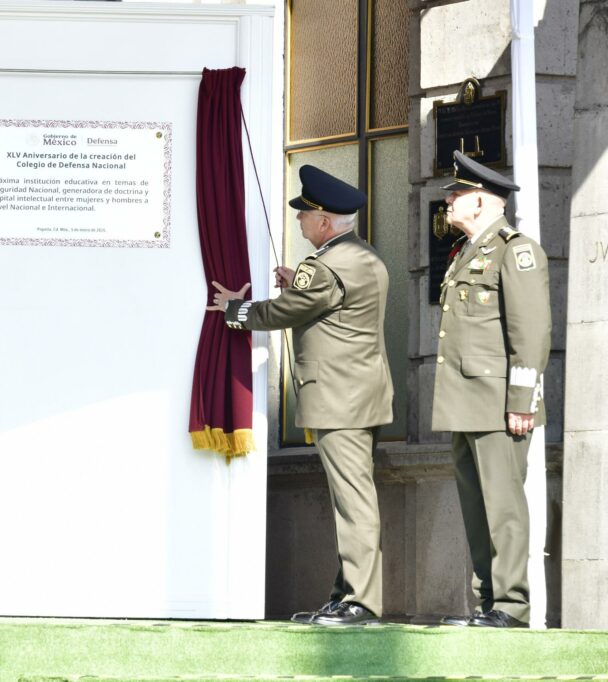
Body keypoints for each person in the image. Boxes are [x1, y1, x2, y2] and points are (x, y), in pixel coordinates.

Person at [208, 165, 392, 626]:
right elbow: (327, 305)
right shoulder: (362, 256)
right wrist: (301, 285)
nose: (299, 222)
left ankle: (361, 603)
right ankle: (346, 595)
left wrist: (235, 311)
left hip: (339, 399)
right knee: (354, 502)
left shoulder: (326, 264)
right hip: (359, 395)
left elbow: (292, 309)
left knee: (353, 504)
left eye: (305, 216)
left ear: (325, 223)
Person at [434, 151, 551, 629]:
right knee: (476, 508)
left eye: (456, 194)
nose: (449, 201)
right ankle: (488, 604)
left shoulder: (515, 250)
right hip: (465, 402)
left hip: (500, 404)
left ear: (480, 202)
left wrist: (521, 403)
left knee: (503, 508)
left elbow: (532, 332)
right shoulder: (468, 252)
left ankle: (512, 606)